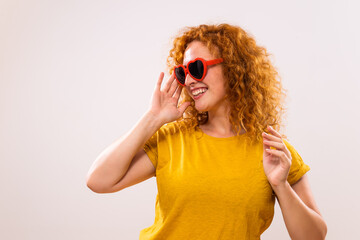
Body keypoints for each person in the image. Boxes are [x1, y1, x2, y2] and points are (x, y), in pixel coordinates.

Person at [86, 23, 327, 240]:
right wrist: (153, 119)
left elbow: (314, 237)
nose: (189, 80)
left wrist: (281, 185)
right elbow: (98, 181)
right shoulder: (172, 138)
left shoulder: (273, 150)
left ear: (233, 68)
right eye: (183, 72)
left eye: (197, 68)